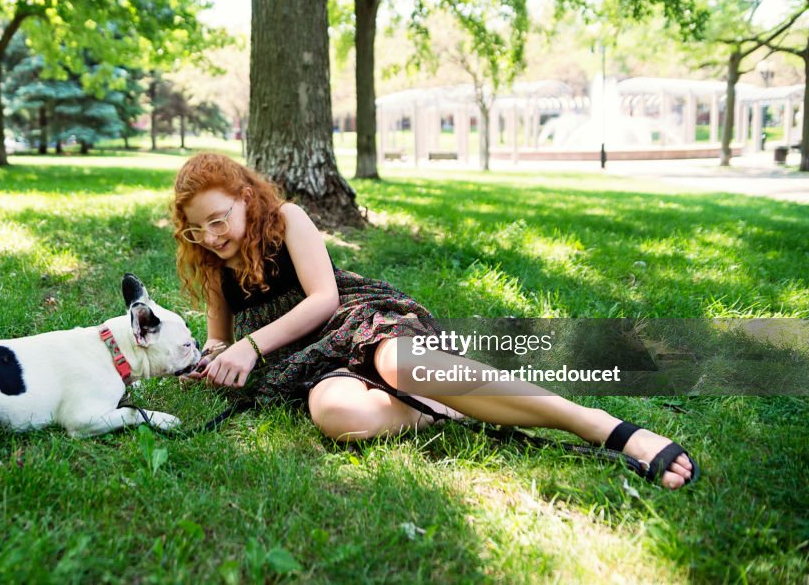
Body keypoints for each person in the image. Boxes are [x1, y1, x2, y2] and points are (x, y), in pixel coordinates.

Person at [173, 153, 697, 489]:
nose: (212, 236)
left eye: (219, 219)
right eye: (198, 230)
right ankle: (441, 408)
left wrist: (253, 348)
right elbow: (218, 340)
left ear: (245, 199)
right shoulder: (216, 268)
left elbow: (323, 301)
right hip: (310, 370)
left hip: (357, 323)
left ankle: (607, 429)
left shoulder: (288, 220)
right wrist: (215, 358)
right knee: (338, 417)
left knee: (401, 364)